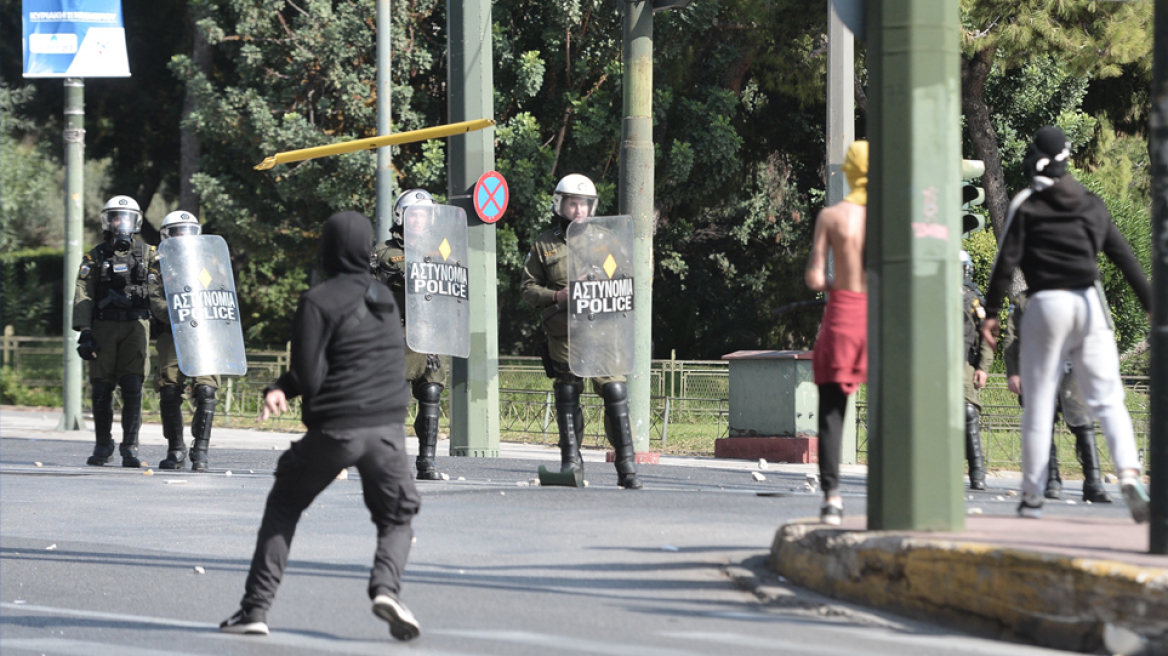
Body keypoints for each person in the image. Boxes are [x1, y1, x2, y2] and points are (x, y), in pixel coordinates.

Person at [220, 212, 422, 640]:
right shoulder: (386, 300)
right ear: (367, 249)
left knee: (284, 505)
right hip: (387, 430)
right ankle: (387, 588)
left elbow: (309, 376)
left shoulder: (317, 300)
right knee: (397, 516)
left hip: (336, 430)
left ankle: (254, 609)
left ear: (327, 249)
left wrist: (281, 388)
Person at [982, 126, 1151, 522]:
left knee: (1039, 404)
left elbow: (1005, 262)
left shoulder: (1027, 204)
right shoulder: (1091, 203)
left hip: (1045, 304)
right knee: (1108, 398)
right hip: (1089, 304)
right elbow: (1124, 257)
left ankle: (1032, 495)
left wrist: (990, 313)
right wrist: (1151, 305)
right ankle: (1129, 473)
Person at [520, 174, 643, 490]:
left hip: (604, 331)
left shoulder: (608, 240)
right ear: (560, 204)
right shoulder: (544, 244)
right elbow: (528, 289)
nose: (579, 210)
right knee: (567, 392)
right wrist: (557, 295)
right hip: (565, 332)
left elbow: (626, 282)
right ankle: (571, 463)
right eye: (573, 203)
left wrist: (603, 282)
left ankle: (627, 466)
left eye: (584, 204)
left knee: (615, 391)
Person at [804, 141, 868, 525]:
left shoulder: (831, 217)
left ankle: (832, 497)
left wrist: (833, 282)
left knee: (831, 408)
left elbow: (814, 278)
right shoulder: (888, 217)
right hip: (878, 314)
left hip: (843, 312)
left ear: (848, 173)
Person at [1002, 290, 1113, 503]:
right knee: (1044, 424)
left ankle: (1093, 482)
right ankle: (1052, 480)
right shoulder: (1024, 300)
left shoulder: (1077, 293)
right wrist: (1013, 372)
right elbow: (1012, 338)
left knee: (1083, 424)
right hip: (1038, 369)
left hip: (1073, 370)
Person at [74, 196, 155, 468]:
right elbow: (83, 293)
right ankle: (103, 444)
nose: (121, 222)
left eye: (127, 217)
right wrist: (85, 331)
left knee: (133, 386)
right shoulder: (95, 256)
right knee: (101, 387)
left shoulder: (149, 254)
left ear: (136, 222)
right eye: (116, 217)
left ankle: (130, 446)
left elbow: (166, 284)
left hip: (136, 326)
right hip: (103, 326)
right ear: (108, 221)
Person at [371, 189, 447, 480]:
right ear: (401, 217)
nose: (419, 220)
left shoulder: (443, 248)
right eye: (414, 215)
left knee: (431, 391)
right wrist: (387, 278)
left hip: (431, 331)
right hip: (396, 331)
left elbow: (456, 285)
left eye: (425, 215)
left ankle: (427, 462)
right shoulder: (384, 251)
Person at [148, 211, 221, 471]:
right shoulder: (159, 267)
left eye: (187, 232)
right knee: (169, 391)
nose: (182, 237)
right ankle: (176, 449)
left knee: (206, 390)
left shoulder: (208, 264)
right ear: (167, 236)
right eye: (177, 232)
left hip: (204, 334)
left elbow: (219, 292)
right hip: (173, 333)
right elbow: (156, 300)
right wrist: (180, 314)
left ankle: (200, 451)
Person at [960, 250, 993, 491]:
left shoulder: (973, 299)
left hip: (964, 363)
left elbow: (986, 335)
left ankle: (977, 472)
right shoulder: (932, 292)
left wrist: (983, 367)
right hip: (934, 364)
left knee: (968, 412)